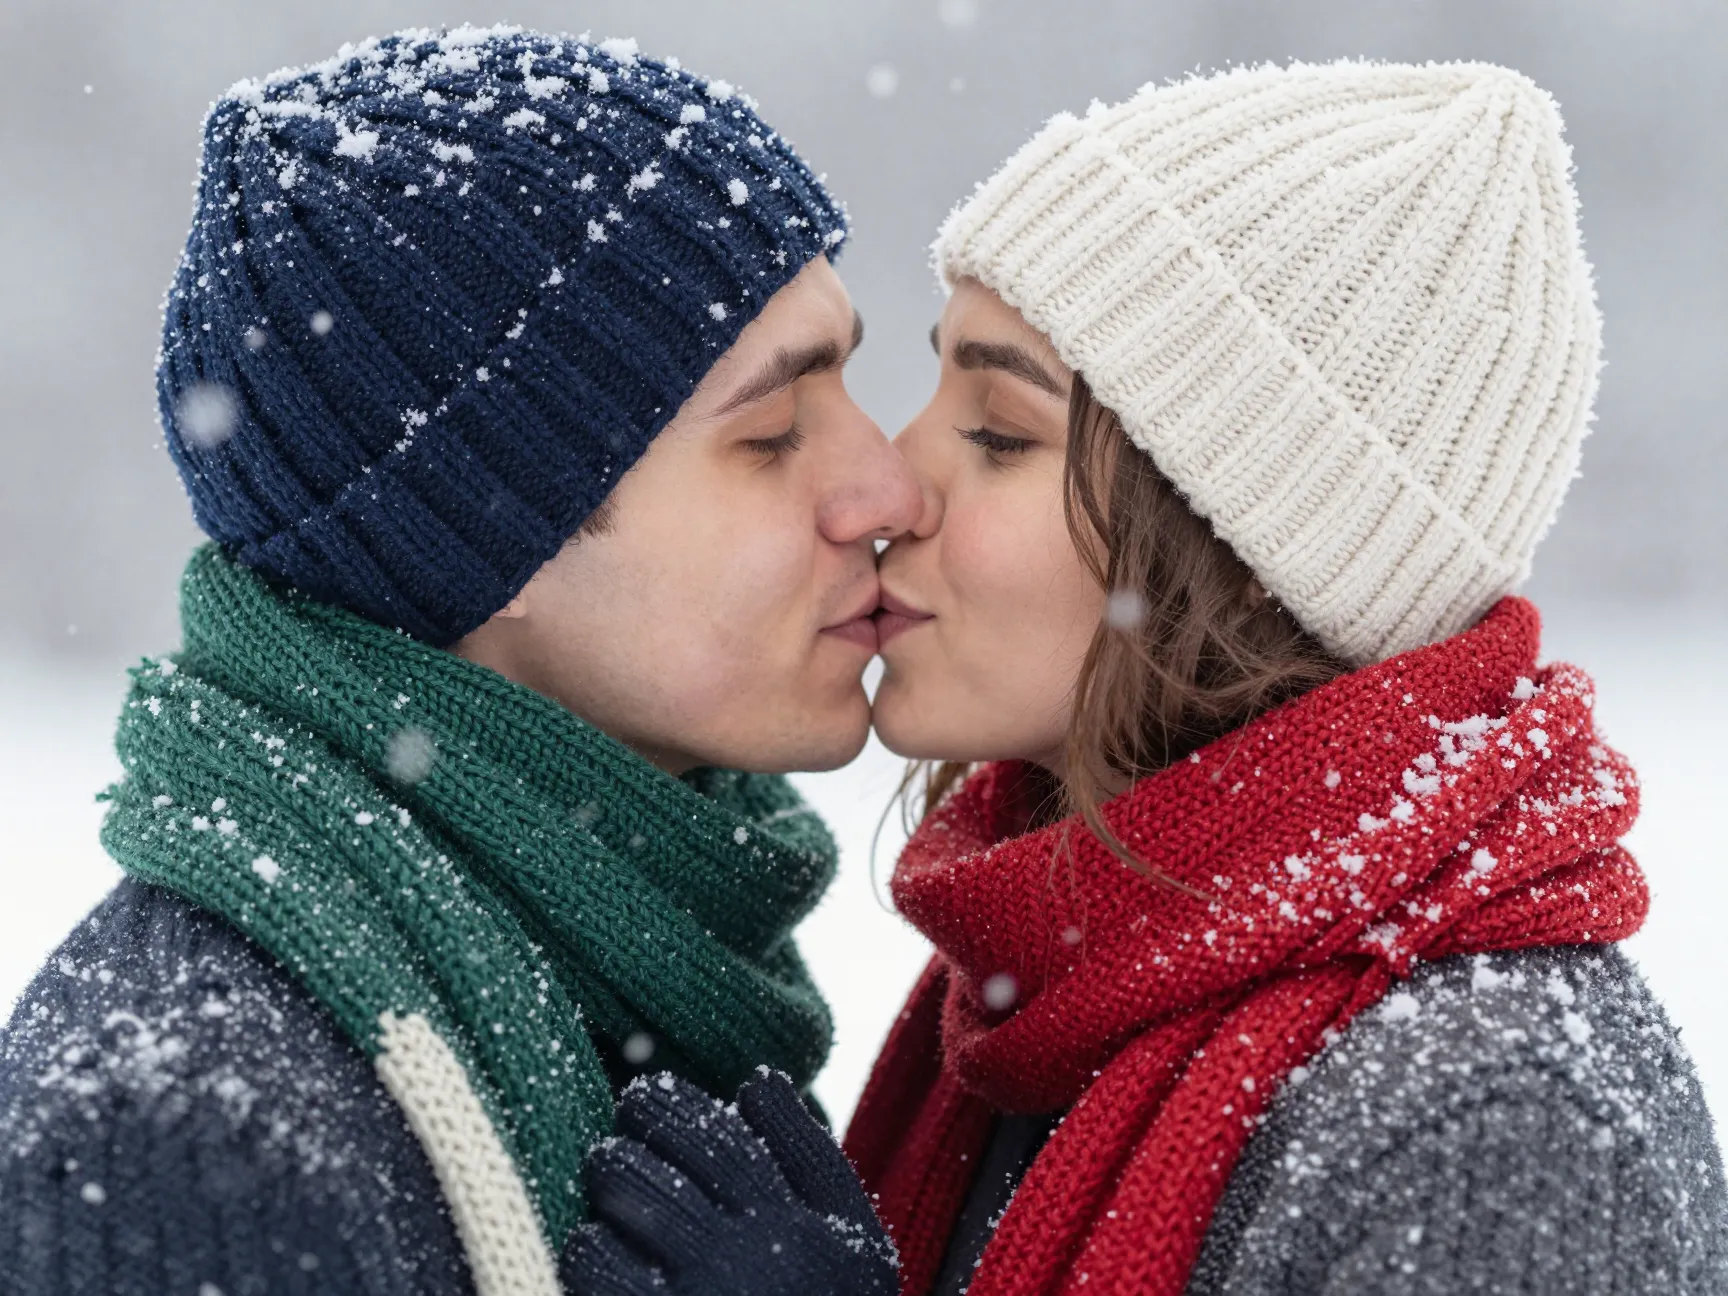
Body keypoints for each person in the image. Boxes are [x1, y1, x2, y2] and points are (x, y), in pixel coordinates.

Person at [571, 59, 1728, 1295]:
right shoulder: (1059, 989)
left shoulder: (1492, 1130)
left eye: (1000, 435)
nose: (892, 488)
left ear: (1249, 558)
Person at [0, 26, 919, 1296]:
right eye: (770, 435)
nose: (888, 486)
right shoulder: (187, 1144)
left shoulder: (658, 968)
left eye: (851, 378)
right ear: (498, 539)